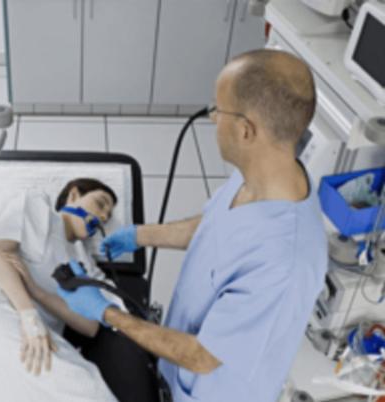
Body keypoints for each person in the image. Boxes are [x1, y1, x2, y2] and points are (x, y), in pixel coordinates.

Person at [57, 49, 329, 402]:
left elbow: (201, 357)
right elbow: (216, 225)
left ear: (246, 130)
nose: (212, 118)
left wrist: (106, 312)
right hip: (177, 363)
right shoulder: (261, 176)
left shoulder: (284, 263)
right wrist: (140, 235)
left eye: (219, 110)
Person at [0, 178, 122, 402]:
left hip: (39, 337)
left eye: (108, 216)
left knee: (90, 387)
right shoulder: (37, 205)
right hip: (1, 317)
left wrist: (38, 292)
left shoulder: (84, 262)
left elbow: (90, 327)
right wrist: (29, 316)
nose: (103, 217)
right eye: (100, 203)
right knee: (91, 394)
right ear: (74, 195)